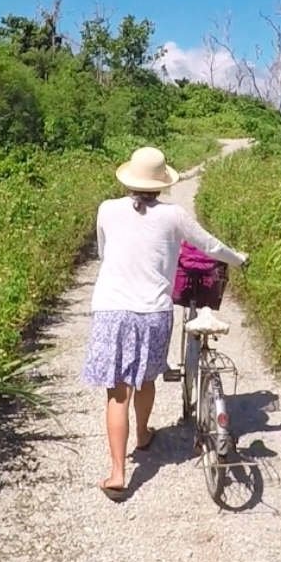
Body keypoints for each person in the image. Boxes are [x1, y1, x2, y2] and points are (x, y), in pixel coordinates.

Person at [80, 146, 247, 500]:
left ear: (128, 179)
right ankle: (142, 435)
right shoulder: (174, 216)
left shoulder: (107, 210)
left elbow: (103, 253)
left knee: (117, 391)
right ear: (161, 184)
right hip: (153, 312)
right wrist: (239, 259)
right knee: (147, 377)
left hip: (111, 309)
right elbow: (211, 246)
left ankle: (117, 472)